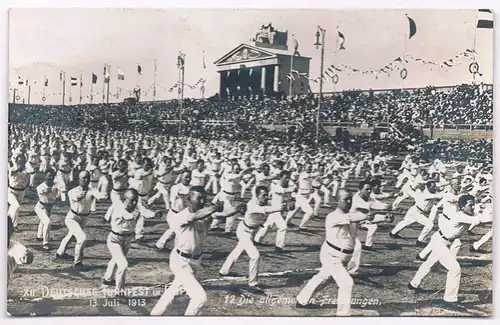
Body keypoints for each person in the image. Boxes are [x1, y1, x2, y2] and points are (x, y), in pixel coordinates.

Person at [150, 187, 238, 316]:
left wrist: (238, 209)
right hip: (180, 262)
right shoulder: (181, 216)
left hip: (195, 261)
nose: (202, 201)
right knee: (199, 297)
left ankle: (154, 316)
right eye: (198, 198)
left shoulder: (206, 213)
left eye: (204, 198)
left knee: (174, 289)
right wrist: (213, 208)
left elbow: (224, 214)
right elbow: (195, 217)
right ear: (188, 199)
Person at [295, 189, 374, 316]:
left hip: (343, 257)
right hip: (331, 256)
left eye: (350, 199)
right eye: (344, 199)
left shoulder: (352, 216)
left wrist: (384, 217)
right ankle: (343, 315)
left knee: (323, 278)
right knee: (347, 283)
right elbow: (356, 217)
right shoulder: (333, 216)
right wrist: (367, 213)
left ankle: (302, 299)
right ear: (337, 201)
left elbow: (363, 219)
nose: (348, 202)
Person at [408, 195, 480, 309]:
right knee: (455, 268)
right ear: (462, 207)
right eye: (470, 205)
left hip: (444, 241)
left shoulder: (468, 214)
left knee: (429, 263)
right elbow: (478, 220)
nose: (473, 207)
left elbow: (478, 216)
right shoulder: (460, 215)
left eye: (474, 204)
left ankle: (413, 284)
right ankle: (449, 299)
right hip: (440, 242)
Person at [219, 185, 287, 290]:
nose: (266, 198)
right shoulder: (251, 205)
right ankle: (252, 283)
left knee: (237, 251)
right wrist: (280, 208)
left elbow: (272, 206)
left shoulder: (264, 203)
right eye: (263, 195)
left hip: (251, 231)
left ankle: (224, 271)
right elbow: (267, 210)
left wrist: (286, 206)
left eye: (267, 195)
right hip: (243, 231)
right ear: (257, 196)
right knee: (255, 256)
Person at [102, 189, 161, 294]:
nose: (134, 203)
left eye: (136, 200)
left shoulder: (136, 206)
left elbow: (145, 212)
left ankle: (107, 279)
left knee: (116, 259)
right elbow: (128, 216)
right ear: (125, 200)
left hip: (127, 239)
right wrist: (137, 214)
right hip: (114, 240)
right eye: (132, 200)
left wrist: (154, 214)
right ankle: (119, 292)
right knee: (123, 264)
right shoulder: (119, 208)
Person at [55, 171, 107, 268]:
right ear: (79, 179)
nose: (86, 180)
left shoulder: (92, 190)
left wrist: (104, 194)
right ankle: (78, 262)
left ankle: (60, 253)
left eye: (87, 178)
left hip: (84, 218)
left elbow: (100, 196)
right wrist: (81, 195)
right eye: (83, 178)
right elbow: (76, 197)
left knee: (71, 236)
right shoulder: (72, 191)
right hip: (72, 218)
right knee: (82, 238)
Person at [35, 169, 59, 251]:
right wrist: (53, 189)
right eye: (49, 176)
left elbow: (58, 194)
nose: (50, 178)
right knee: (47, 222)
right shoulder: (40, 187)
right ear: (45, 176)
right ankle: (45, 243)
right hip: (40, 207)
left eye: (52, 176)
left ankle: (39, 236)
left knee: (43, 221)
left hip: (49, 207)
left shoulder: (56, 185)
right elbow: (46, 191)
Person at [8, 154, 33, 229]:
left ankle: (9, 222)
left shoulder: (27, 169)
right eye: (20, 161)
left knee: (14, 208)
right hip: (11, 191)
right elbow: (14, 171)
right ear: (16, 161)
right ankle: (12, 225)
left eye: (23, 161)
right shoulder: (12, 169)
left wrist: (27, 167)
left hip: (21, 191)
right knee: (16, 206)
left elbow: (33, 171)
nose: (21, 163)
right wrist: (20, 168)